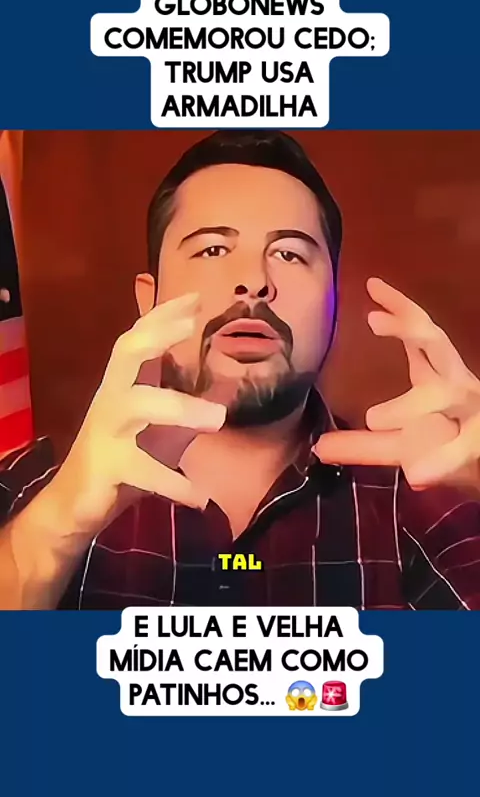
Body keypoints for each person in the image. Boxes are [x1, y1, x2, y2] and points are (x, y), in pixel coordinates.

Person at [1, 129, 480, 611]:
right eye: (212, 249)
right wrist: (57, 528)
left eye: (289, 254)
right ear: (150, 300)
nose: (253, 282)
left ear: (333, 304)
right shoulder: (24, 491)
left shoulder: (427, 504)